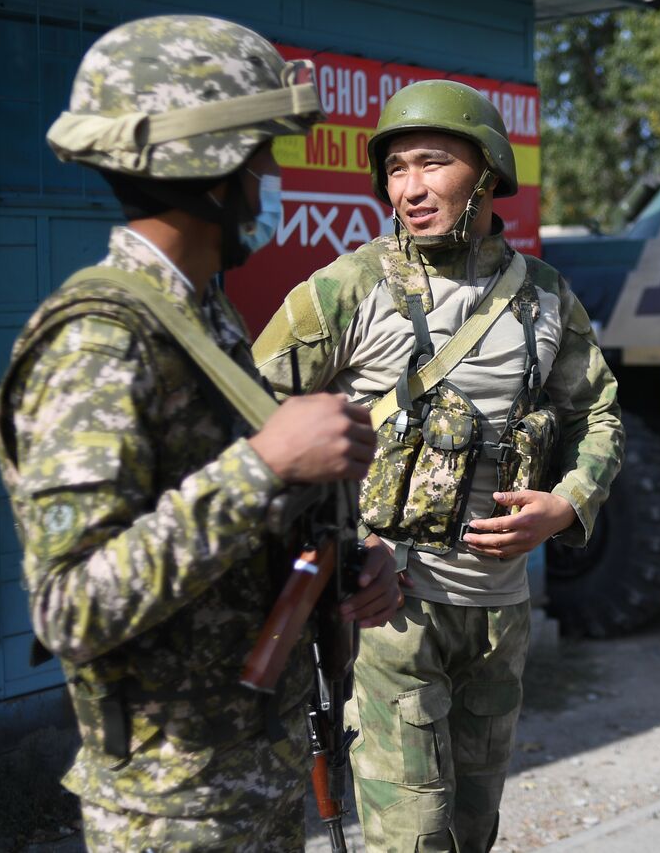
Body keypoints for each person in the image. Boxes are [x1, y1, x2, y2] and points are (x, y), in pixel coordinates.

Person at [0, 15, 401, 850]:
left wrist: (346, 566)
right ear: (209, 168)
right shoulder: (100, 341)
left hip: (262, 774)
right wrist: (263, 466)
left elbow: (228, 548)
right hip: (176, 811)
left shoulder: (201, 317)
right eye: (264, 156)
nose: (272, 179)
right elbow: (70, 609)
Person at [252, 79, 624, 851]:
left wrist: (568, 502)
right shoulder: (346, 291)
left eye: (431, 164)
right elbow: (253, 424)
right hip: (391, 615)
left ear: (487, 173)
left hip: (500, 615)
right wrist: (343, 550)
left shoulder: (547, 300)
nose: (411, 188)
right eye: (395, 170)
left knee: (473, 829)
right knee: (413, 838)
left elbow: (599, 414)